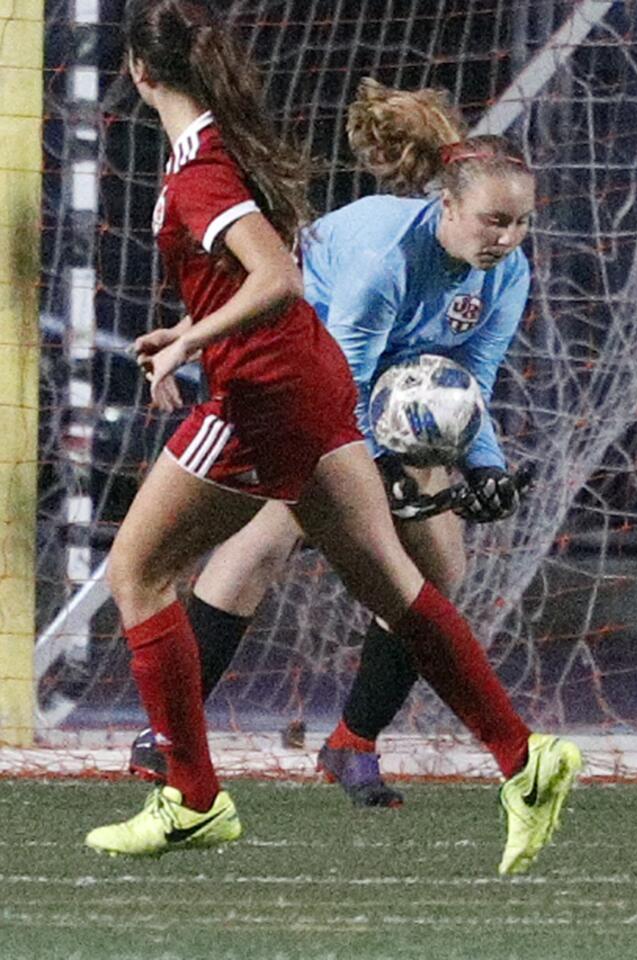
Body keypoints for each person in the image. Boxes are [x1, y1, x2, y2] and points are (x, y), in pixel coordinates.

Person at [85, 0, 581, 878]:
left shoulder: (197, 169)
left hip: (263, 395)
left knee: (139, 572)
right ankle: (524, 757)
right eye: (494, 223)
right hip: (314, 381)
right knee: (399, 581)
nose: (508, 241)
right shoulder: (225, 141)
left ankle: (190, 795)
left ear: (138, 73)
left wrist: (190, 340)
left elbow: (274, 273)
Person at [129, 78, 539, 808]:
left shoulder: (508, 273)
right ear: (443, 206)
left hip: (381, 407)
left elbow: (473, 373)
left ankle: (353, 741)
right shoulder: (384, 258)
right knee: (262, 542)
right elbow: (336, 376)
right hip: (296, 380)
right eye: (491, 221)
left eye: (518, 224)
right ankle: (165, 740)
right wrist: (380, 469)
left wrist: (485, 464)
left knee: (439, 563)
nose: (504, 239)